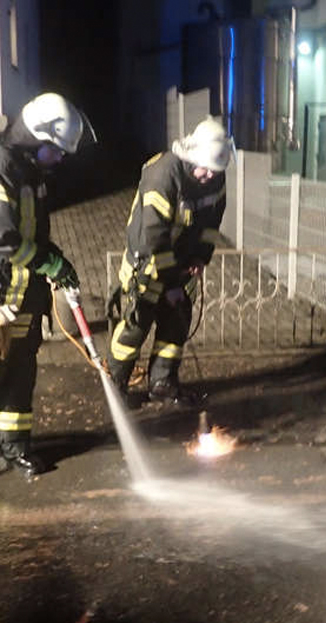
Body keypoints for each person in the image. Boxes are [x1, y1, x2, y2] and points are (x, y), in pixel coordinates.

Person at [0, 92, 94, 474]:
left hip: (23, 298)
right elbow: (1, 237)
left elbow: (35, 237)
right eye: (55, 150)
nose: (59, 159)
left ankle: (11, 446)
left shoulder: (31, 173)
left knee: (19, 377)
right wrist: (48, 262)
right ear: (34, 138)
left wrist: (59, 262)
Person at [108, 116, 233, 406]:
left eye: (216, 171)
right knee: (136, 326)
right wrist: (170, 282)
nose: (210, 177)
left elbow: (212, 222)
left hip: (181, 263)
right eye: (205, 170)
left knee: (176, 321)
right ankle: (116, 385)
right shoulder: (164, 173)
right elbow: (153, 233)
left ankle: (163, 383)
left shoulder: (216, 174)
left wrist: (202, 257)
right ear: (192, 157)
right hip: (149, 264)